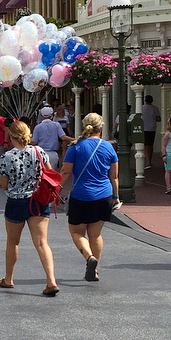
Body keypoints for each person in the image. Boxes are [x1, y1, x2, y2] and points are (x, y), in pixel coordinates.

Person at [0, 121, 58, 296]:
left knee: (13, 242)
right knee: (41, 243)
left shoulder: (7, 157)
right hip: (38, 200)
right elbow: (49, 173)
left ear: (11, 135)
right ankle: (51, 280)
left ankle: (8, 279)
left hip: (16, 202)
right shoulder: (39, 152)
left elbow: (3, 184)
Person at [60, 113, 119, 283]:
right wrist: (115, 196)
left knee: (76, 231)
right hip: (103, 195)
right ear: (100, 129)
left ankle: (89, 257)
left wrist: (56, 189)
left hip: (81, 195)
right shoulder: (108, 147)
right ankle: (95, 270)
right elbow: (114, 176)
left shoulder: (75, 146)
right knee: (96, 234)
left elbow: (65, 172)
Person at [32, 106, 73, 170]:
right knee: (52, 174)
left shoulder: (38, 127)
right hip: (53, 154)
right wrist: (74, 139)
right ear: (51, 115)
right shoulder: (56, 125)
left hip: (41, 153)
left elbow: (34, 142)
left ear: (42, 115)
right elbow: (63, 137)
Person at [142, 95, 161, 169]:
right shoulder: (155, 108)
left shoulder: (142, 108)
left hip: (144, 128)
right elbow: (159, 119)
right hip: (152, 128)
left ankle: (147, 161)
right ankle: (149, 160)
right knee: (150, 145)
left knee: (146, 146)